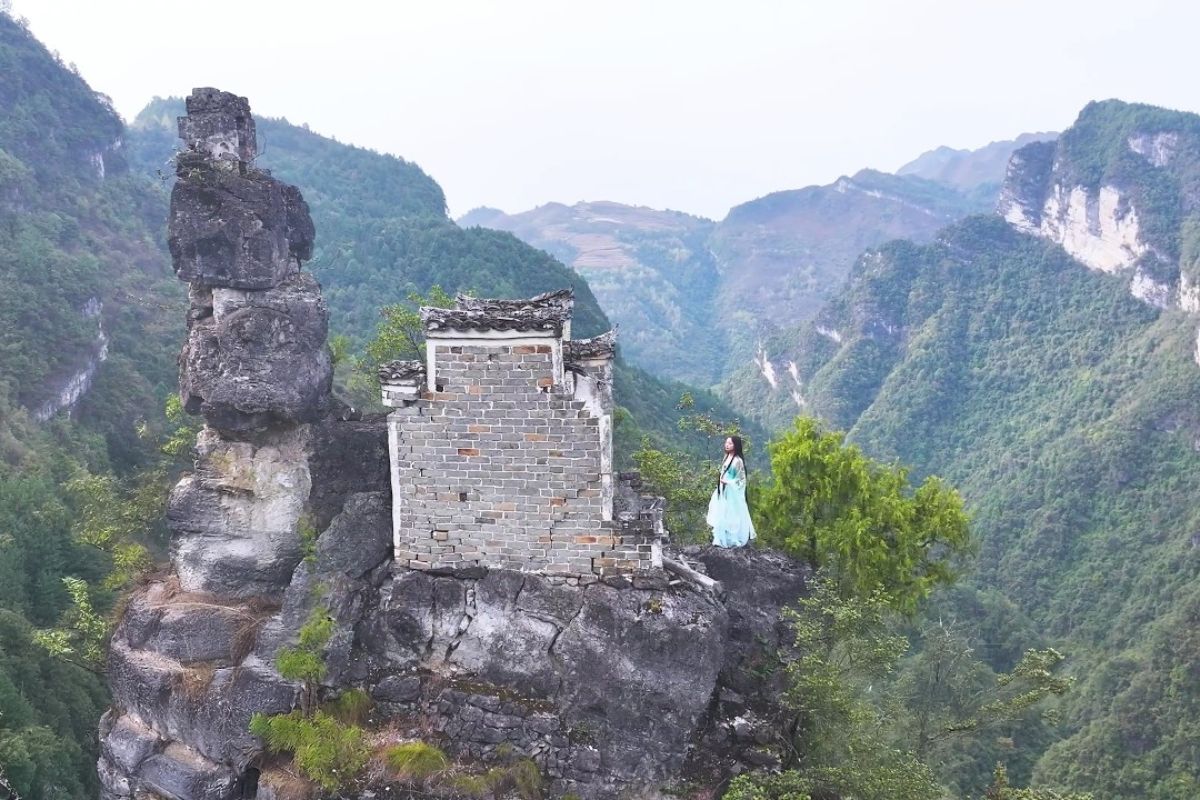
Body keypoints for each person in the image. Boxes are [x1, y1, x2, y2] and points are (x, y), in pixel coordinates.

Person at [706, 435, 756, 547]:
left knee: (731, 515)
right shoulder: (726, 457)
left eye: (730, 443)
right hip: (723, 490)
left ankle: (732, 540)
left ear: (736, 446)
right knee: (721, 513)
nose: (727, 445)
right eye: (726, 443)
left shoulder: (738, 461)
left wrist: (729, 482)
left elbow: (741, 479)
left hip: (731, 493)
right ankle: (720, 539)